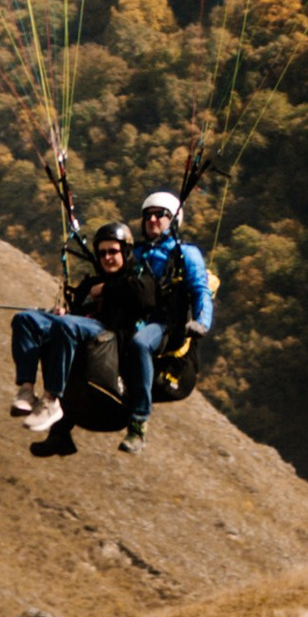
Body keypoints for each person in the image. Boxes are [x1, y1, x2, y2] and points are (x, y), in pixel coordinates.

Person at [11, 224, 139, 454]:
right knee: (26, 320)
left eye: (113, 252)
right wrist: (64, 315)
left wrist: (107, 290)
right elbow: (75, 314)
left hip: (106, 336)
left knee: (65, 326)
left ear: (125, 252)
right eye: (102, 253)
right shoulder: (90, 285)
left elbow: (146, 299)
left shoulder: (135, 283)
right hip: (78, 328)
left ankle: (51, 400)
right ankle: (27, 390)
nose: (107, 258)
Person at [118, 189, 216, 455]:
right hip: (135, 318)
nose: (152, 219)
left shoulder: (186, 254)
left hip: (165, 325)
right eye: (148, 215)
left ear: (173, 220)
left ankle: (138, 424)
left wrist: (202, 322)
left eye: (160, 215)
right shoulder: (135, 253)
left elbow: (200, 290)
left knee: (139, 345)